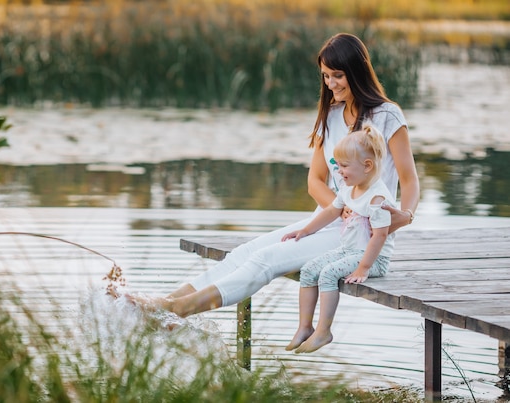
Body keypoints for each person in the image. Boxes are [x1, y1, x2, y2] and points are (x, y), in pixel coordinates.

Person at [131, 32, 419, 322]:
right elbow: (315, 182)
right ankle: (167, 301)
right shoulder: (330, 116)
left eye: (338, 75)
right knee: (246, 252)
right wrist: (340, 209)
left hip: (359, 237)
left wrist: (405, 215)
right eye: (325, 76)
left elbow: (409, 179)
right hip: (328, 218)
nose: (330, 84)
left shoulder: (387, 116)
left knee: (266, 261)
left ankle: (178, 310)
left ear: (356, 71)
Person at [283, 123, 395, 353]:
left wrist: (363, 268)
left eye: (344, 166)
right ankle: (305, 327)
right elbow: (331, 211)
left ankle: (324, 331)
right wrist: (305, 230)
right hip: (348, 251)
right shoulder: (348, 188)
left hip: (372, 258)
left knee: (328, 273)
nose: (339, 171)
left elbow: (381, 235)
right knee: (309, 269)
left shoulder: (377, 198)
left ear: (367, 166)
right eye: (338, 165)